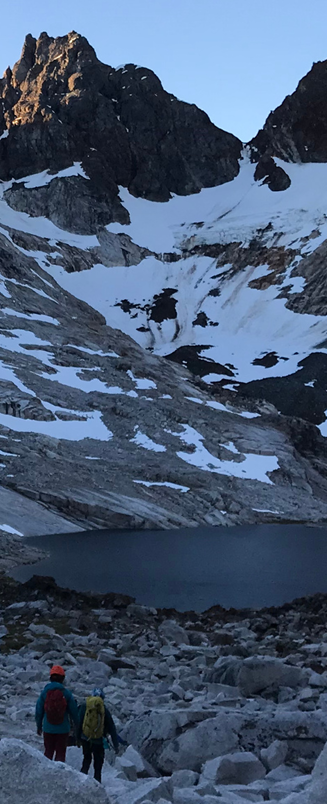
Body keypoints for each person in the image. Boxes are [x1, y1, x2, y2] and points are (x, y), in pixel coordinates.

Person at [35, 664, 79, 763]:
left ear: (50, 678)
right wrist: (77, 726)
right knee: (60, 754)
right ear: (62, 679)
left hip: (48, 728)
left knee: (48, 753)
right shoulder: (66, 693)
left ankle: (46, 774)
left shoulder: (45, 692)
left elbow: (39, 710)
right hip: (63, 729)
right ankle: (59, 776)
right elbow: (74, 712)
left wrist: (39, 726)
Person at [77, 687, 119, 784]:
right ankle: (97, 783)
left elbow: (79, 723)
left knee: (86, 760)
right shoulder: (103, 709)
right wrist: (116, 745)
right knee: (98, 764)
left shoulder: (85, 706)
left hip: (85, 738)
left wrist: (77, 739)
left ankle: (81, 782)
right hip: (98, 740)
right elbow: (112, 728)